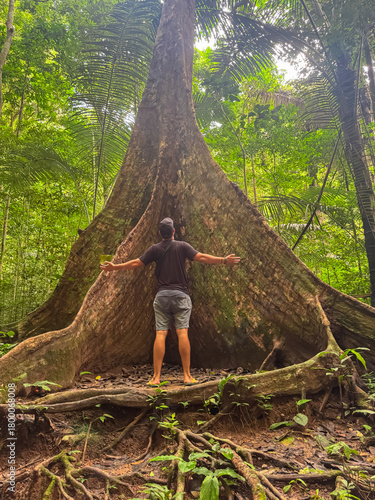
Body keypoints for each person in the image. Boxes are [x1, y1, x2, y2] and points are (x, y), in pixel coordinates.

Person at [100, 217, 240, 386]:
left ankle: (156, 377)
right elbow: (201, 257)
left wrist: (115, 267)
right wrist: (224, 260)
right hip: (181, 296)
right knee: (182, 333)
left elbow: (136, 263)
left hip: (162, 297)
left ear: (160, 233)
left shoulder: (155, 249)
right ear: (174, 231)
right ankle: (187, 376)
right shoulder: (183, 246)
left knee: (160, 334)